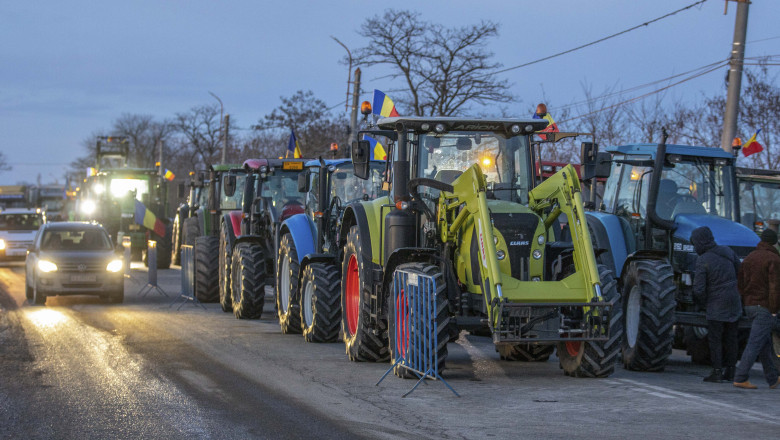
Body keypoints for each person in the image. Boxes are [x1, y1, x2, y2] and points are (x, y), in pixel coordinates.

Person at [691, 226, 742, 383]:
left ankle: (717, 372)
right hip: (734, 302)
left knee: (715, 339)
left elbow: (698, 289)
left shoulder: (703, 260)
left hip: (716, 305)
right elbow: (740, 272)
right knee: (732, 338)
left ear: (700, 242)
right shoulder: (728, 251)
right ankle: (731, 371)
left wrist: (702, 304)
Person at [733, 229, 780, 389]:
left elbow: (741, 283)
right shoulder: (774, 259)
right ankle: (740, 377)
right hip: (764, 306)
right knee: (754, 343)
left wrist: (745, 301)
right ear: (774, 242)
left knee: (764, 343)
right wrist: (774, 309)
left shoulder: (749, 258)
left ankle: (773, 379)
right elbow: (775, 287)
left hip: (750, 305)